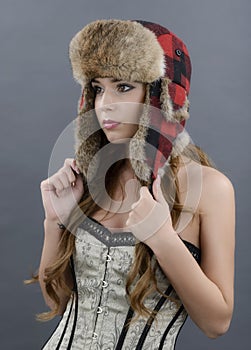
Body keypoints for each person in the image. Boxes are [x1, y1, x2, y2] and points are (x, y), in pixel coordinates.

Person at [37, 19, 235, 349]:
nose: (105, 104)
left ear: (160, 95)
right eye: (98, 88)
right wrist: (55, 222)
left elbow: (217, 323)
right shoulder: (91, 178)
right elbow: (56, 301)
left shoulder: (210, 188)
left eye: (124, 86)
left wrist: (163, 239)